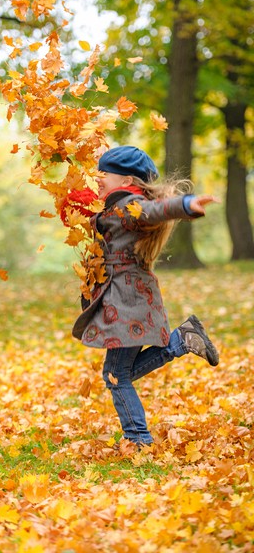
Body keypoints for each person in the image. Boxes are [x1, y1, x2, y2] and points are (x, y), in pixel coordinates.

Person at [72, 145, 219, 448]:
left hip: (129, 301)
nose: (98, 177)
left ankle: (138, 440)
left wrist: (187, 204)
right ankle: (183, 339)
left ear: (127, 180)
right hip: (125, 299)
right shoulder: (115, 207)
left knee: (115, 375)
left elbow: (157, 210)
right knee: (117, 373)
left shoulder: (131, 206)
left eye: (104, 173)